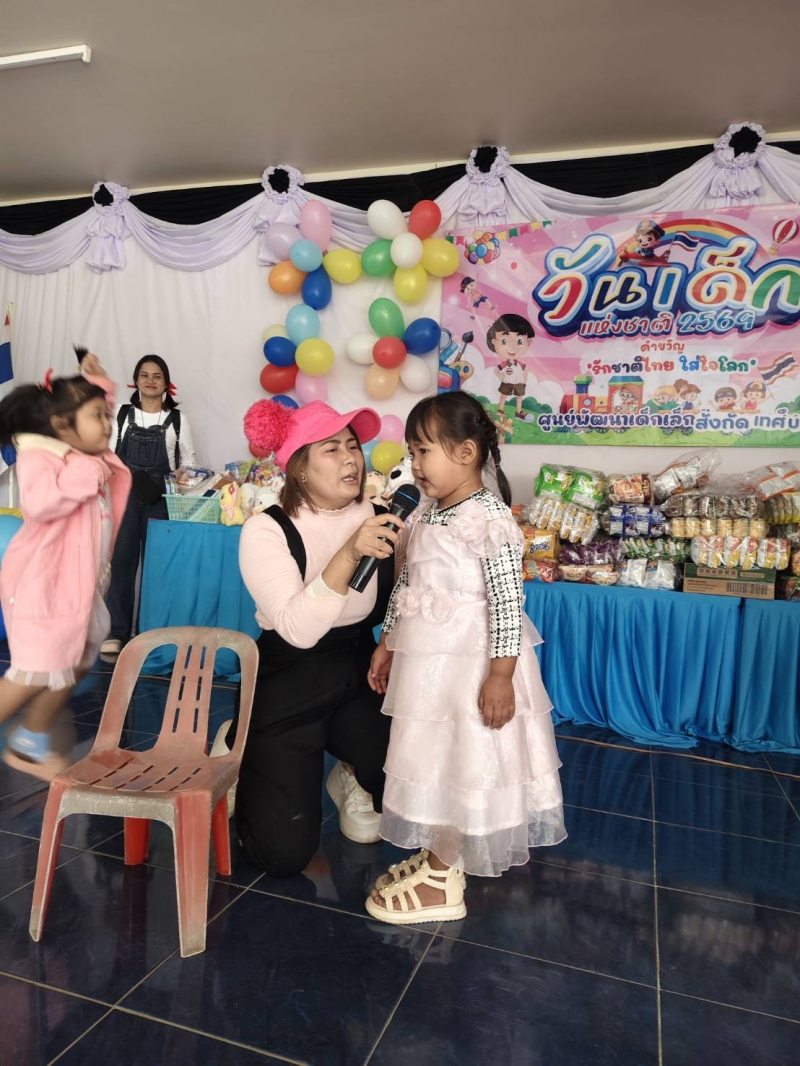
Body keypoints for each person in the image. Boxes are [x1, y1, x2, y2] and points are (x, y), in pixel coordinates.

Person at [366, 392, 566, 923]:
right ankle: (440, 853)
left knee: (464, 758)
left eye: (423, 451)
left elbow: (508, 601)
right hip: (428, 666)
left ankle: (445, 878)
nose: (414, 465)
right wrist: (388, 641)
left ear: (466, 452)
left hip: (470, 665)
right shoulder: (428, 511)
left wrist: (500, 675)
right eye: (411, 453)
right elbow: (407, 583)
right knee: (433, 756)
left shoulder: (489, 518)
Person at [232, 398, 402, 877]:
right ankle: (240, 742)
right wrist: (349, 552)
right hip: (290, 674)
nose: (351, 458)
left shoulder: (383, 515)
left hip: (360, 666)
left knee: (406, 788)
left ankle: (350, 773)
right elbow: (299, 630)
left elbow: (403, 592)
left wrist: (388, 642)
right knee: (282, 855)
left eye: (353, 445)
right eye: (332, 449)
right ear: (300, 469)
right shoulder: (266, 529)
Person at [0, 364, 131, 780]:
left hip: (80, 587)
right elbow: (39, 503)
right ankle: (29, 740)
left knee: (79, 658)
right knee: (34, 671)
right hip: (44, 585)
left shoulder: (85, 454)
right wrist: (85, 472)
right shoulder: (42, 456)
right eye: (97, 416)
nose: (107, 423)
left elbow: (87, 414)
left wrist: (99, 384)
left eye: (108, 415)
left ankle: (30, 739)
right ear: (60, 425)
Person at [101, 354, 196, 657]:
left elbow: (189, 463)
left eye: (157, 376)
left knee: (157, 569)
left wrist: (182, 475)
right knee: (122, 565)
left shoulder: (178, 420)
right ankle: (117, 633)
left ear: (167, 383)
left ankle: (150, 635)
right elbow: (106, 456)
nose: (150, 380)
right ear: (136, 381)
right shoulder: (121, 414)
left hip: (161, 500)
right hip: (125, 498)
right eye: (144, 375)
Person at [488, 314, 535, 423]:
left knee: (519, 396)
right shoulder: (505, 363)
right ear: (494, 342)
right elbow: (496, 370)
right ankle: (500, 410)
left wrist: (524, 378)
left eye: (519, 341)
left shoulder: (520, 364)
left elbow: (526, 370)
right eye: (505, 341)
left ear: (528, 342)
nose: (513, 346)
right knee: (503, 395)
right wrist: (501, 376)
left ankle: (519, 412)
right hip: (506, 381)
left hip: (518, 382)